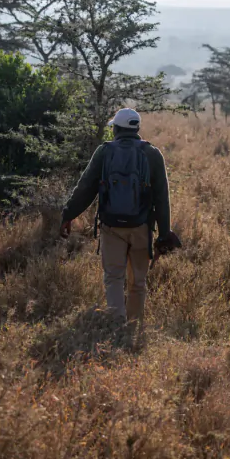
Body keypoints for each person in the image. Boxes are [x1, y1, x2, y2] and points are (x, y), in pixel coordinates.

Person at [60, 108, 181, 324]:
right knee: (138, 281)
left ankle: (116, 324)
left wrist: (68, 214)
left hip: (111, 226)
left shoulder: (104, 152)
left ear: (115, 129)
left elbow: (86, 187)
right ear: (137, 129)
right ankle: (134, 324)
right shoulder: (152, 154)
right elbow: (162, 197)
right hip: (142, 227)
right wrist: (163, 233)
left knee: (114, 277)